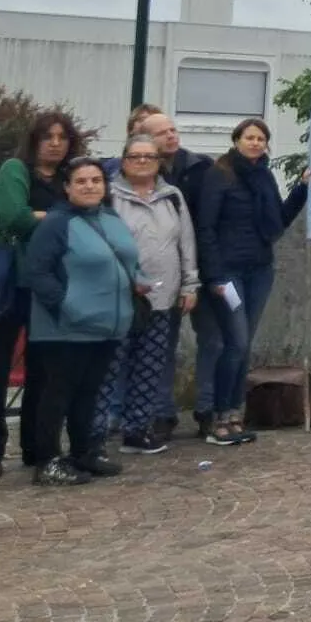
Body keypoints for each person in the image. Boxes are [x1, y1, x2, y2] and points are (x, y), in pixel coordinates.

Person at [0, 108, 84, 475]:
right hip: (12, 282)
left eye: (61, 138)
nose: (54, 144)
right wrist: (56, 218)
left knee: (44, 371)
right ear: (34, 140)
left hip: (50, 284)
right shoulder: (15, 170)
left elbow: (81, 215)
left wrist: (41, 216)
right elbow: (12, 215)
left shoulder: (70, 175)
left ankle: (37, 449)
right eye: (47, 137)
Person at [23, 156, 139, 487]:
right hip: (66, 327)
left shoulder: (111, 217)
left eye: (96, 181)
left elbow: (128, 258)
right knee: (57, 394)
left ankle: (83, 452)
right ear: (67, 187)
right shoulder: (56, 223)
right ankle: (47, 460)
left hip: (108, 324)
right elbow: (37, 271)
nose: (90, 186)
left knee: (88, 392)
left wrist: (138, 280)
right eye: (81, 181)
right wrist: (67, 305)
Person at [192, 117, 308, 448]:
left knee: (245, 345)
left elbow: (278, 221)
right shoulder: (220, 175)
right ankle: (218, 415)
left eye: (261, 138)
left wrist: (301, 189)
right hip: (228, 274)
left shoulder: (264, 177)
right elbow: (206, 228)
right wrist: (213, 275)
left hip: (260, 270)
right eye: (249, 137)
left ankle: (233, 414)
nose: (255, 143)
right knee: (236, 342)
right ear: (236, 140)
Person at [102, 134, 200, 455]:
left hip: (162, 296)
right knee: (111, 365)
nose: (142, 162)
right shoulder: (108, 196)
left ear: (159, 162)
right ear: (123, 160)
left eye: (149, 157)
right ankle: (97, 432)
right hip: (119, 297)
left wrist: (189, 285)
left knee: (150, 364)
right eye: (135, 156)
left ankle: (137, 431)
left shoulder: (172, 197)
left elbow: (186, 243)